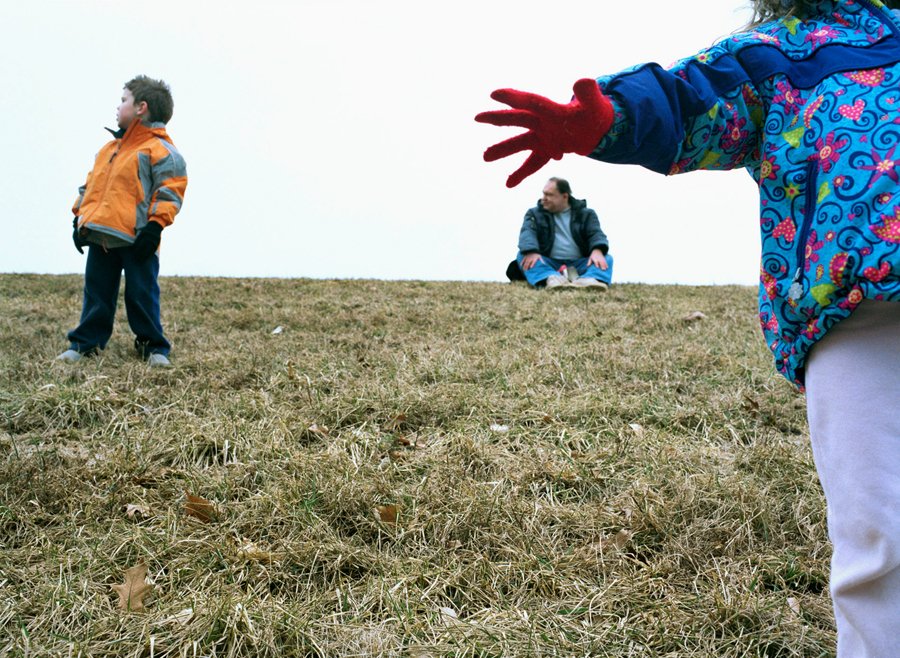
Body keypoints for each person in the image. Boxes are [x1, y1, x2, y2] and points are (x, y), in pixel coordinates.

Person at [476, 0, 900, 656]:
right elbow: (687, 100)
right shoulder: (783, 52)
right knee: (879, 538)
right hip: (852, 316)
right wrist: (606, 119)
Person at [57, 75, 188, 367]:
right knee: (97, 293)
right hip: (102, 234)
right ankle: (85, 343)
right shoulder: (110, 149)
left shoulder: (161, 151)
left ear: (141, 107)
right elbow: (89, 187)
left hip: (138, 238)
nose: (118, 106)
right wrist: (79, 220)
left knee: (141, 294)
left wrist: (154, 228)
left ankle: (153, 347)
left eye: (123, 100)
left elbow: (170, 191)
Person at [515, 177, 613, 291]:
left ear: (565, 196)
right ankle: (551, 279)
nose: (544, 198)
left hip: (580, 263)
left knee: (606, 258)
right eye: (544, 194)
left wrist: (597, 250)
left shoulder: (586, 214)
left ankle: (589, 280)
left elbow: (595, 234)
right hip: (548, 263)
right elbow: (528, 233)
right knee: (523, 256)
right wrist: (531, 251)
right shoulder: (534, 213)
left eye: (549, 195)